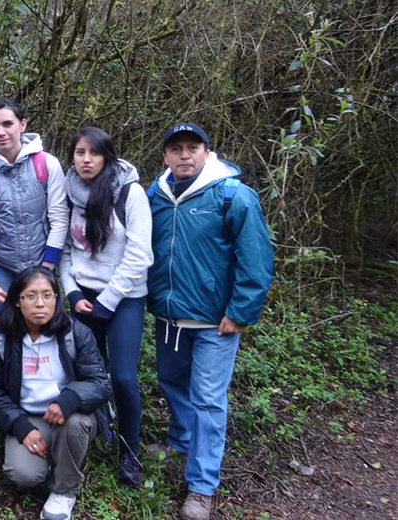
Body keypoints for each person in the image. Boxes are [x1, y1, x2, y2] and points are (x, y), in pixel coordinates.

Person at [148, 123, 273, 520]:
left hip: (214, 322)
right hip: (169, 316)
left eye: (192, 147)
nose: (184, 155)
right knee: (171, 382)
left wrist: (239, 312)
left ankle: (201, 487)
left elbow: (255, 257)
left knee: (207, 400)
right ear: (165, 156)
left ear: (206, 152)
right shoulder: (155, 195)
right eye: (176, 149)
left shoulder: (232, 195)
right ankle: (181, 441)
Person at [59, 126, 153, 486]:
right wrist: (70, 292)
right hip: (83, 296)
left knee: (123, 377)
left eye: (93, 153)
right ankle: (101, 426)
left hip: (125, 296)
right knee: (88, 373)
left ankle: (130, 449)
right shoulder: (68, 191)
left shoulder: (129, 192)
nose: (86, 160)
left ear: (106, 156)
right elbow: (66, 248)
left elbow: (140, 253)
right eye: (79, 152)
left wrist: (108, 300)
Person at [0, 266, 111, 520]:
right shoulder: (1, 338)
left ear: (56, 299)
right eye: (30, 296)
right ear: (17, 301)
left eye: (47, 295)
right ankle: (56, 460)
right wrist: (20, 426)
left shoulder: (75, 332)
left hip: (68, 415)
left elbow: (100, 383)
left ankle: (65, 490)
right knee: (24, 474)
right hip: (27, 416)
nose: (40, 303)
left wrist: (69, 399)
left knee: (75, 423)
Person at [0, 98, 69, 314]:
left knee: (47, 329)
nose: (1, 132)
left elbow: (60, 219)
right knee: (9, 330)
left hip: (43, 261)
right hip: (3, 267)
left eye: (8, 124)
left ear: (22, 125)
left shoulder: (46, 164)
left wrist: (45, 271)